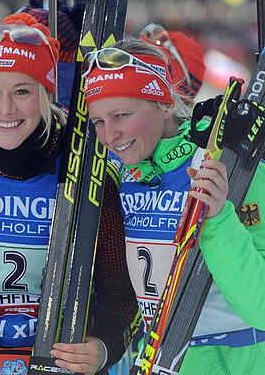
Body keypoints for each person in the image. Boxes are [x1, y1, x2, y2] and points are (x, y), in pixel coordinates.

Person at [0, 14, 139, 375]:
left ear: (47, 92)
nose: (5, 109)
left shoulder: (90, 174)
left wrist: (104, 347)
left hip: (57, 360)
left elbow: (122, 287)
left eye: (21, 91)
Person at [83, 39, 265, 374]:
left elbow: (262, 305)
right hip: (159, 360)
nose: (109, 135)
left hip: (235, 359)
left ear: (164, 103)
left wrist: (219, 218)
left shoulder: (230, 170)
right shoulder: (123, 172)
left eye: (121, 115)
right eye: (98, 121)